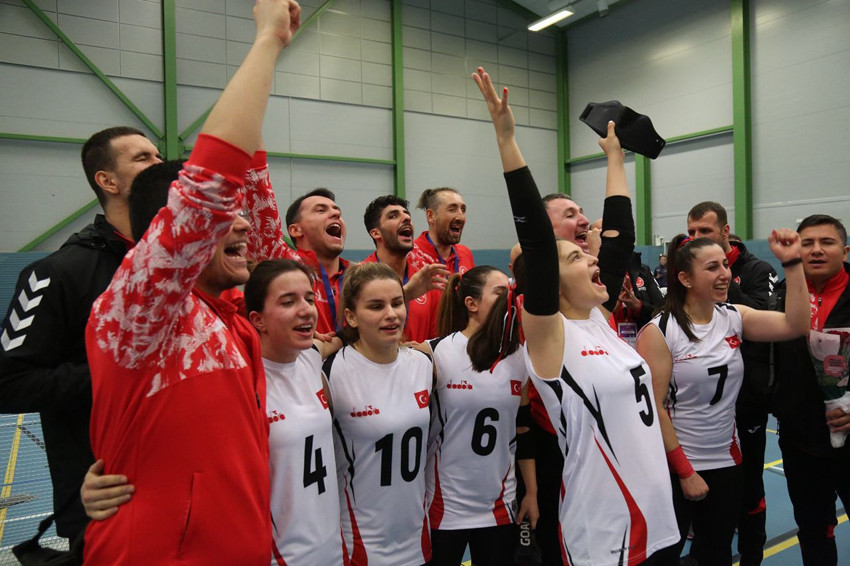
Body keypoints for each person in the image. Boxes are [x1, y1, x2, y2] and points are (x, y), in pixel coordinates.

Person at [82, 1, 301, 563]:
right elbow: (209, 188)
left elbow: (262, 208)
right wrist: (267, 42)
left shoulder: (231, 313)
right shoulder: (136, 314)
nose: (246, 223)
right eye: (225, 218)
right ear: (171, 233)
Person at [474, 65, 680, 565]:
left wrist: (616, 159)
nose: (591, 259)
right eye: (575, 258)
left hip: (657, 516)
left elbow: (619, 239)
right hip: (603, 524)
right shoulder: (550, 334)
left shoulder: (599, 317)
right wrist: (507, 142)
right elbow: (541, 247)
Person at [82, 259, 346, 565]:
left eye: (309, 299)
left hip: (331, 549)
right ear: (257, 320)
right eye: (288, 301)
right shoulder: (241, 379)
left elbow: (342, 339)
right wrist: (100, 484)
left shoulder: (311, 358)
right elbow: (176, 450)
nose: (306, 309)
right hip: (277, 554)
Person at [0, 126, 161, 544]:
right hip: (106, 507)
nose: (159, 164)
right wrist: (119, 375)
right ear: (107, 181)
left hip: (188, 493)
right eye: (142, 158)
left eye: (159, 156)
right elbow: (9, 384)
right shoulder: (56, 273)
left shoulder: (183, 269)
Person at [636, 233, 809, 565]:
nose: (724, 274)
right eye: (712, 267)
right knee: (664, 556)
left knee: (715, 553)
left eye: (726, 265)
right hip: (675, 466)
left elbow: (796, 323)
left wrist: (792, 262)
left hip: (727, 462)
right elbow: (654, 409)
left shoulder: (733, 316)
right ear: (685, 278)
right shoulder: (661, 331)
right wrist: (685, 472)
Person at [426, 265, 538, 565]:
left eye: (510, 292)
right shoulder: (436, 354)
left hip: (500, 504)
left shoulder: (518, 358)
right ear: (471, 304)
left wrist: (533, 492)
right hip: (445, 506)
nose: (508, 298)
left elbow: (523, 430)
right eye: (500, 292)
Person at [325, 262, 434, 565]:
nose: (391, 314)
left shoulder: (424, 365)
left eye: (397, 303)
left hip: (416, 540)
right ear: (351, 316)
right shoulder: (332, 372)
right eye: (376, 306)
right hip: (359, 545)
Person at [687, 201, 777, 565]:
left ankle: (752, 555)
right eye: (691, 232)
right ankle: (704, 552)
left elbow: (766, 319)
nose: (695, 238)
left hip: (746, 402)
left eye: (704, 232)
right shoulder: (687, 271)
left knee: (749, 488)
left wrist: (718, 278)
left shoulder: (757, 270)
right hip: (702, 408)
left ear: (725, 233)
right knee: (702, 488)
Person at [772, 214, 850, 566]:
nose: (816, 250)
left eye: (827, 242)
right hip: (800, 440)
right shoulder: (784, 292)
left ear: (844, 250)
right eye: (807, 243)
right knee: (813, 528)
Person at [362, 194, 450, 341]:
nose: (406, 218)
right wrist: (406, 294)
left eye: (407, 214)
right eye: (393, 216)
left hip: (419, 362)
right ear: (376, 233)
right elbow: (352, 334)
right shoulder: (359, 278)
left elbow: (436, 339)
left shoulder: (426, 279)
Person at [285, 188, 350, 333]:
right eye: (320, 210)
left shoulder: (359, 276)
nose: (336, 213)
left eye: (337, 210)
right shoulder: (282, 267)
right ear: (296, 230)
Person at [413, 187, 474, 274]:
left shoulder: (465, 253)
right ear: (431, 216)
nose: (461, 217)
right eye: (452, 210)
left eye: (463, 210)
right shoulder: (410, 255)